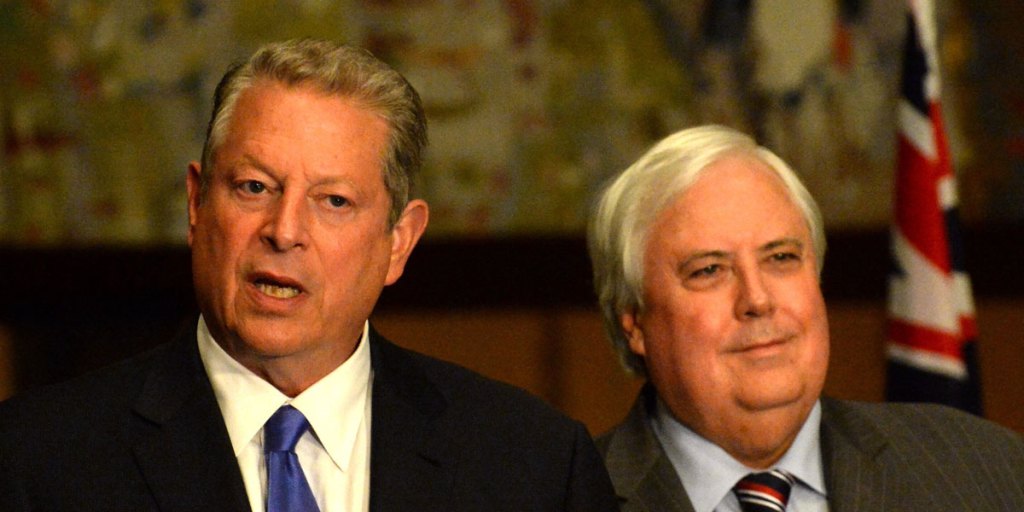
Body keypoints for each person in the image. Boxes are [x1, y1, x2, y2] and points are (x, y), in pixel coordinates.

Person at [0, 39, 617, 512]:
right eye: (254, 187)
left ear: (398, 242)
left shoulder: (532, 468)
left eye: (334, 201)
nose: (284, 229)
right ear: (195, 205)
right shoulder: (36, 462)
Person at [587, 124, 1024, 511]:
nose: (757, 299)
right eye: (709, 270)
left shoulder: (984, 469)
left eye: (781, 257)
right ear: (636, 323)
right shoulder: (572, 496)